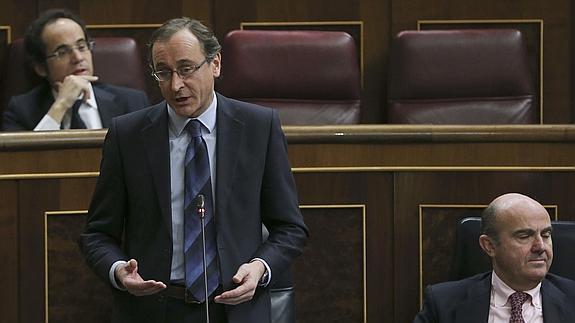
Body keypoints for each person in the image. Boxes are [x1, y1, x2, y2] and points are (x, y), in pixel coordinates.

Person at [80, 17, 308, 323]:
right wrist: (120, 271)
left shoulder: (258, 127)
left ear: (215, 64)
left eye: (186, 69)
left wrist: (260, 267)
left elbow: (290, 228)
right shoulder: (128, 136)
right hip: (154, 308)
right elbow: (97, 233)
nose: (175, 85)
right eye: (163, 73)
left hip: (236, 307)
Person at [414, 193, 575, 323]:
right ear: (489, 246)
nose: (540, 247)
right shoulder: (443, 303)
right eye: (525, 236)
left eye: (546, 235)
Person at [2, 9, 149, 131]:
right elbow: (22, 162)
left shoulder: (133, 103)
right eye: (62, 52)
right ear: (41, 68)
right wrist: (61, 105)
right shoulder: (21, 110)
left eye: (82, 46)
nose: (78, 58)